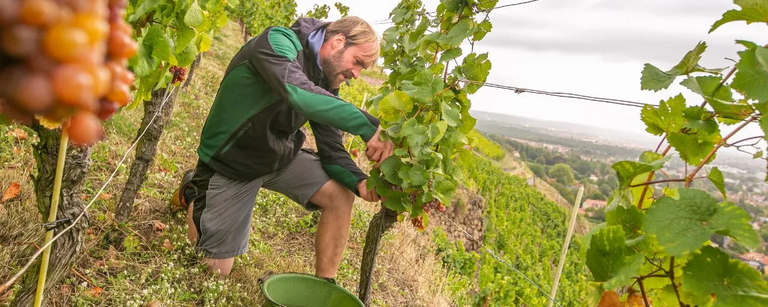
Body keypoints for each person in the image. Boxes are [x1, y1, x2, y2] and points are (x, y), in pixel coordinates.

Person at [170, 16, 394, 278]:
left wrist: (359, 182)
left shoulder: (326, 78)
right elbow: (298, 92)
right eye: (357, 63)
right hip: (231, 161)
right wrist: (368, 127)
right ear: (338, 42)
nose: (356, 75)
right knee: (215, 274)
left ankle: (325, 286)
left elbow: (331, 148)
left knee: (340, 196)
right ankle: (195, 190)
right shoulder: (278, 42)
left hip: (275, 157)